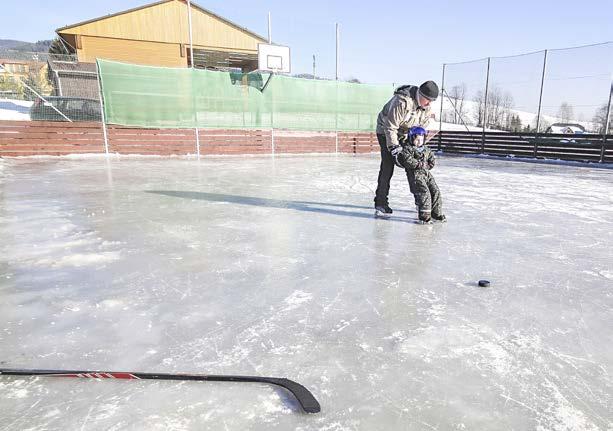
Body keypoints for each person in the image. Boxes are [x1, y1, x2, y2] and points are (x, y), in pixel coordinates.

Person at [374, 80, 439, 218]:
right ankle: (381, 202)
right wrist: (394, 148)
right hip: (386, 130)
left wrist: (418, 146)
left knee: (414, 165)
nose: (429, 104)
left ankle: (420, 200)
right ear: (420, 94)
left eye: (431, 101)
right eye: (428, 100)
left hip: (406, 133)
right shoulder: (402, 101)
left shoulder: (426, 108)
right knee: (388, 165)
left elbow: (421, 129)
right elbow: (390, 126)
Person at [397, 126, 445, 224]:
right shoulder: (408, 149)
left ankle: (436, 213)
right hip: (415, 176)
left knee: (435, 191)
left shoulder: (426, 149)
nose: (419, 142)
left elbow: (432, 159)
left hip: (427, 174)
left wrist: (430, 164)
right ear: (411, 139)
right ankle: (424, 216)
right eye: (417, 140)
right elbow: (408, 160)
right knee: (424, 193)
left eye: (421, 140)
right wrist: (419, 164)